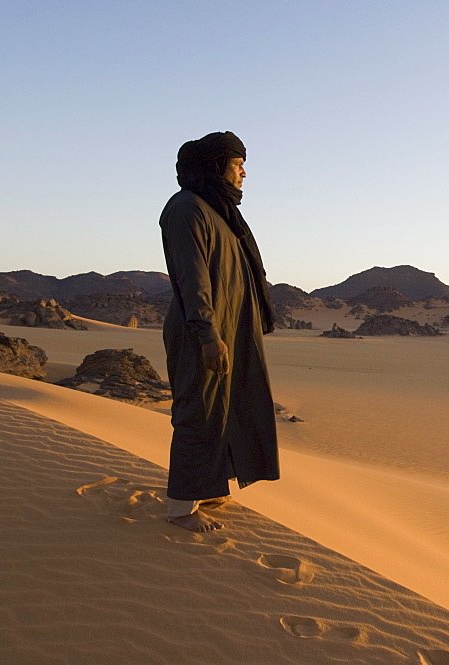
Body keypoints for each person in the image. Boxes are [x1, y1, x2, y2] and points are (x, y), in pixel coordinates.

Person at [159, 131, 279, 531]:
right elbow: (192, 280)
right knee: (200, 410)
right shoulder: (187, 209)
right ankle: (180, 507)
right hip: (203, 330)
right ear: (215, 167)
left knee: (228, 409)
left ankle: (208, 486)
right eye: (236, 164)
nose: (244, 172)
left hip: (228, 328)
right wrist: (207, 333)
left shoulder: (220, 213)